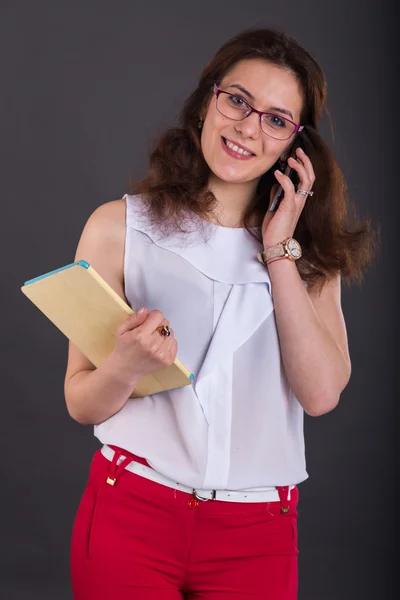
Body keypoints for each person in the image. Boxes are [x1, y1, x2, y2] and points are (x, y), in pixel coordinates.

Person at [67, 27, 377, 600]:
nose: (248, 128)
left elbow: (320, 394)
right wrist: (126, 366)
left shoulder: (310, 257)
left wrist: (281, 248)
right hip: (131, 513)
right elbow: (80, 399)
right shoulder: (118, 227)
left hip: (256, 535)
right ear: (208, 100)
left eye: (276, 119)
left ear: (294, 143)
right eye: (237, 100)